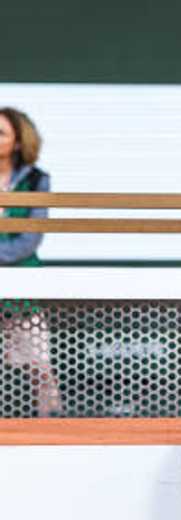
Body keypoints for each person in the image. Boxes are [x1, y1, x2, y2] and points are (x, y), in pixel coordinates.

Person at [0, 107, 61, 417]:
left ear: (19, 141)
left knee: (39, 367)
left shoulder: (37, 180)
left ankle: (49, 426)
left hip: (22, 283)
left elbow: (30, 239)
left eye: (1, 134)